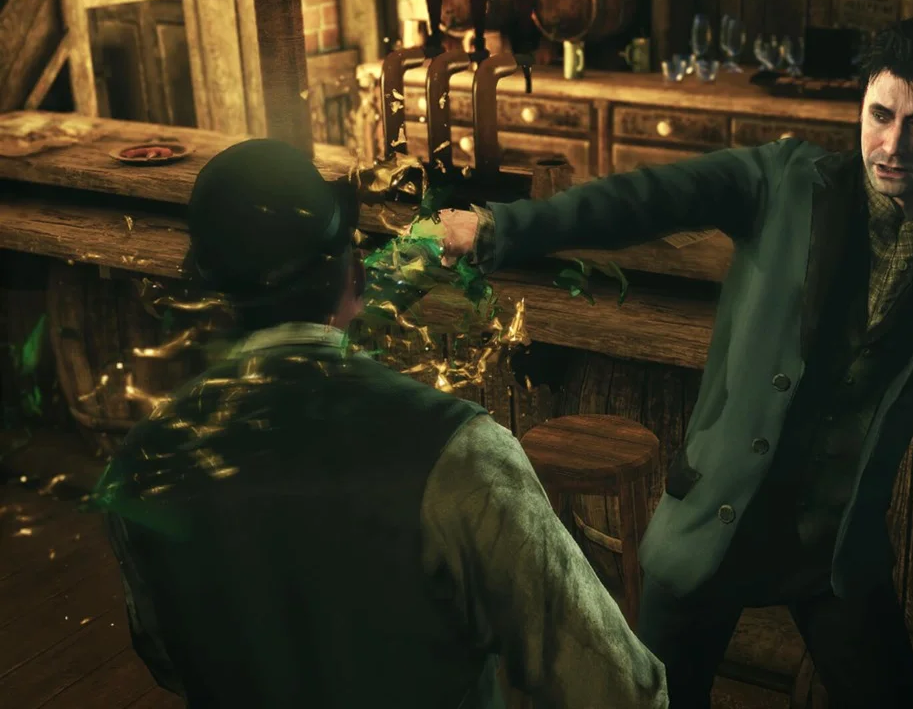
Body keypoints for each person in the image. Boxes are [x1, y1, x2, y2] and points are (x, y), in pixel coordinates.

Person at [436, 18, 913, 708]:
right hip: (715, 517)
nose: (892, 145)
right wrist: (499, 227)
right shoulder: (784, 179)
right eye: (880, 116)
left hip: (834, 543)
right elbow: (639, 200)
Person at [96, 139, 668, 708]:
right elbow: (619, 690)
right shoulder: (463, 453)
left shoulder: (142, 459)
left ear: (210, 293)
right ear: (353, 278)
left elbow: (166, 655)